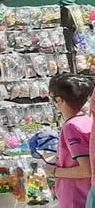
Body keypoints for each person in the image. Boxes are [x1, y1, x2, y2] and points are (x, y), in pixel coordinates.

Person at [40, 74, 92, 208]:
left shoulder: (71, 127)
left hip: (76, 198)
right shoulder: (87, 121)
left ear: (59, 100)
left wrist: (54, 171)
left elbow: (86, 169)